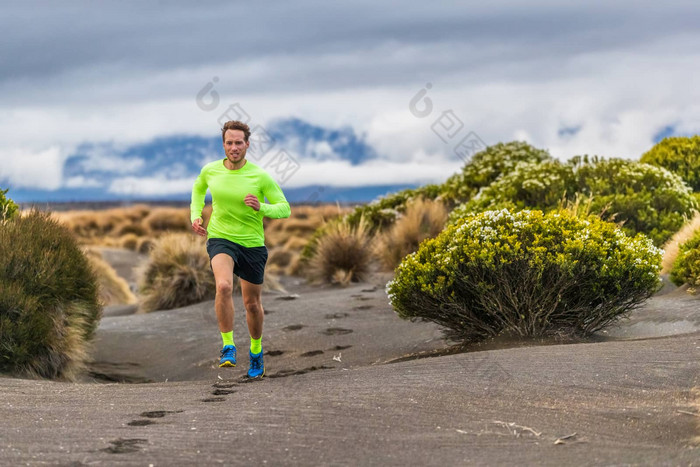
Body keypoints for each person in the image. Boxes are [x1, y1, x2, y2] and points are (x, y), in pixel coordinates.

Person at [190, 120, 291, 378]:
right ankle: (228, 346)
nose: (233, 147)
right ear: (223, 144)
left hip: (252, 244)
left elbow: (284, 207)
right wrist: (196, 215)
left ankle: (256, 351)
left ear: (247, 144)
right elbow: (198, 189)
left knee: (252, 304)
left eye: (238, 143)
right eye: (229, 143)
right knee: (223, 286)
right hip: (221, 238)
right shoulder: (211, 170)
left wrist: (262, 207)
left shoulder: (260, 176)